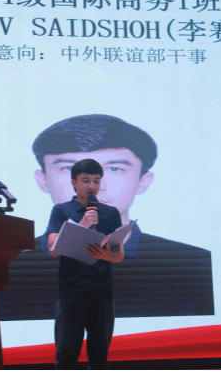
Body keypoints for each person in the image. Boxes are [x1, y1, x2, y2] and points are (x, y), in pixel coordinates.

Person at [0, 114, 213, 322]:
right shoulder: (9, 266)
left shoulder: (192, 265)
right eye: (70, 168)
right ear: (43, 180)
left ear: (143, 181)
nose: (95, 186)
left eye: (115, 168)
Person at [45, 158, 123, 370]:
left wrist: (106, 255)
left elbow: (118, 255)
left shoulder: (111, 213)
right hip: (71, 292)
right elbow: (53, 249)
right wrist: (82, 224)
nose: (92, 186)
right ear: (74, 182)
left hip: (102, 293)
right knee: (66, 355)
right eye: (86, 180)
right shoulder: (61, 211)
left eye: (96, 181)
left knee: (99, 357)